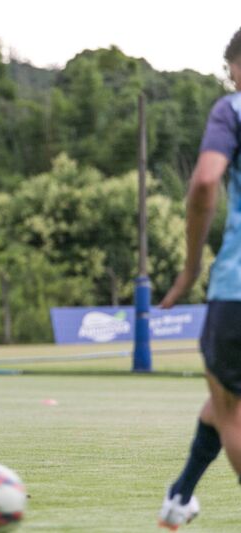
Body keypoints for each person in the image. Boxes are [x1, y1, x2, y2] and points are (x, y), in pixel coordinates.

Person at [158, 28, 241, 529]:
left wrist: (190, 269)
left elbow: (206, 179)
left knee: (231, 408)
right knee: (222, 396)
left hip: (237, 288)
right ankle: (179, 497)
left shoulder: (231, 109)